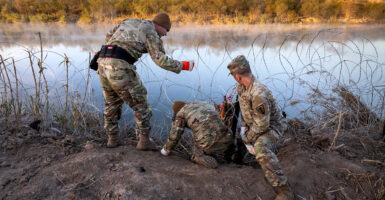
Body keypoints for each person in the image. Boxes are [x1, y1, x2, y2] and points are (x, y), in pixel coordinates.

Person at [97, 13, 195, 149]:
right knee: (141, 104)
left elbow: (109, 35)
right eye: (166, 30)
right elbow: (160, 59)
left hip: (102, 63)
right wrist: (183, 65)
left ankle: (112, 139)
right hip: (119, 66)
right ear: (159, 25)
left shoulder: (129, 20)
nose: (166, 34)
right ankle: (144, 141)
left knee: (111, 103)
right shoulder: (151, 31)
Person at [227, 55, 293, 200]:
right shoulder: (242, 87)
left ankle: (285, 191)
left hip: (273, 126)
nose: (233, 78)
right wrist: (244, 129)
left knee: (260, 148)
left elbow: (263, 126)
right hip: (256, 124)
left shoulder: (258, 93)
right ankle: (237, 162)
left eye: (233, 75)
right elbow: (245, 112)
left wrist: (247, 136)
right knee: (240, 136)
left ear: (238, 76)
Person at [160, 101, 233, 169]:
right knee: (209, 134)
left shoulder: (181, 113)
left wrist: (166, 149)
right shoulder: (202, 104)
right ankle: (229, 155)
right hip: (227, 139)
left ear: (177, 111)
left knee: (196, 152)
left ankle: (205, 159)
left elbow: (175, 135)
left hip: (210, 143)